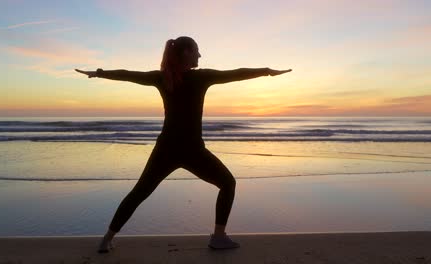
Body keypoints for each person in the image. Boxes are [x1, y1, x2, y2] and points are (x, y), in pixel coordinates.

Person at [75, 36, 291, 253]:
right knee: (228, 183)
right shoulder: (201, 77)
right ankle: (218, 237)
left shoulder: (162, 78)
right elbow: (236, 73)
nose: (199, 55)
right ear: (186, 53)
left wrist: (101, 73)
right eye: (197, 50)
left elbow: (130, 75)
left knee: (139, 192)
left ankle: (106, 240)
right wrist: (267, 71)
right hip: (192, 150)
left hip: (166, 148)